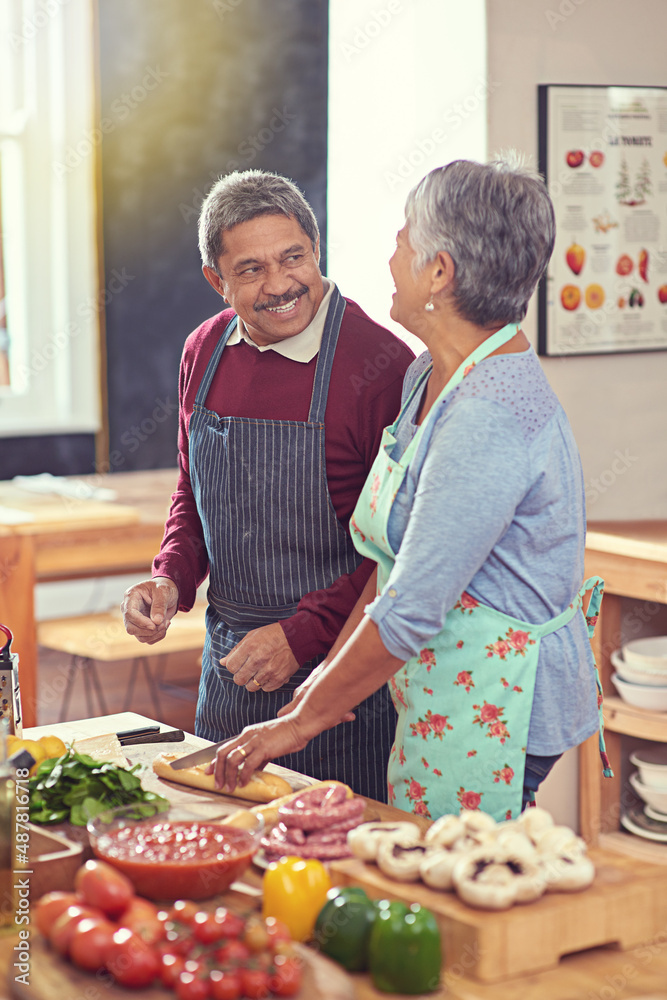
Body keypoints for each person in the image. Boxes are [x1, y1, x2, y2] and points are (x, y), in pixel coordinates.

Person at [209, 153, 612, 822]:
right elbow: (393, 570)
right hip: (437, 691)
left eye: (403, 235)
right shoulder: (428, 375)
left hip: (494, 703)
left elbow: (412, 607)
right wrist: (318, 693)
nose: (390, 252)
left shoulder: (487, 414)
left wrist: (296, 725)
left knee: (462, 898)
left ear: (439, 272)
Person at [121, 169, 414, 801]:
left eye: (294, 258)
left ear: (317, 249)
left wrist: (301, 636)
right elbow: (193, 492)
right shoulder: (203, 351)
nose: (280, 285)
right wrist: (171, 575)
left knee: (333, 879)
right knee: (224, 864)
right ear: (216, 281)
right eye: (251, 270)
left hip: (340, 680)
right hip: (228, 672)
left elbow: (401, 551)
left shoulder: (380, 365)